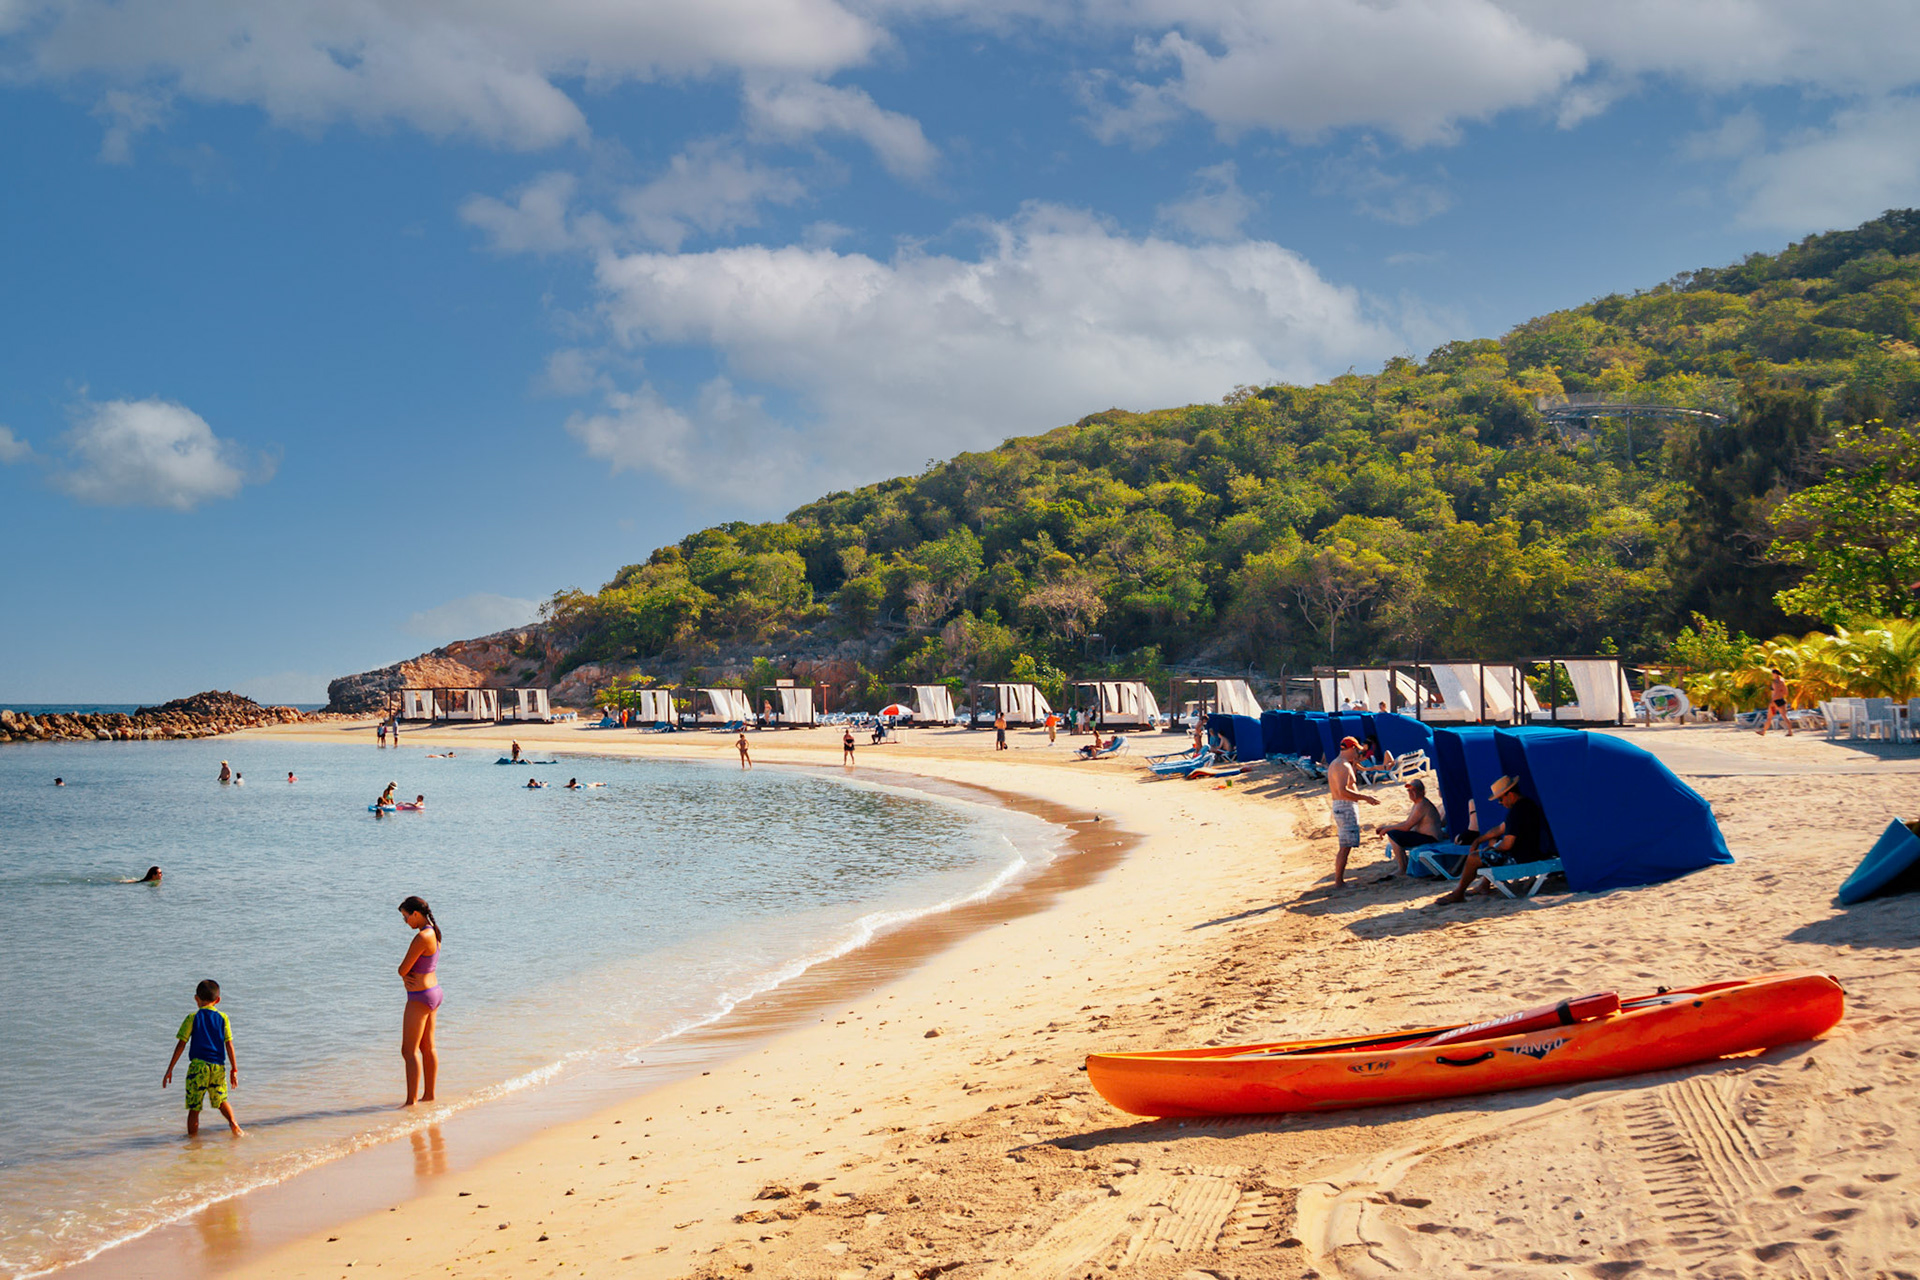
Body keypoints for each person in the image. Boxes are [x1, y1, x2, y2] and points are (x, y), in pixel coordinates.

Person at [1436, 775, 1546, 905]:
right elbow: (1500, 829)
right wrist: (1479, 840)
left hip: (1520, 857)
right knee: (1492, 842)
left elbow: (1507, 844)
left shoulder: (1516, 812)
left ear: (1510, 795)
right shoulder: (1527, 805)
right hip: (1531, 852)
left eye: (1500, 799)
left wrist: (1490, 849)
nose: (1500, 803)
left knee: (1473, 858)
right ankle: (1484, 885)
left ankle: (1458, 893)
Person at [163, 978, 242, 1137]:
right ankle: (234, 1125)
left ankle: (193, 1141)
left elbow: (181, 1045)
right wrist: (234, 1069)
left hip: (198, 1068)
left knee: (194, 1107)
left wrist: (170, 1069)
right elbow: (229, 1045)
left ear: (196, 999)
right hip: (217, 1067)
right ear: (217, 1000)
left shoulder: (192, 1018)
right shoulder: (223, 1018)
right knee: (221, 1101)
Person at [396, 895, 442, 1107]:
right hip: (433, 992)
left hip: (420, 997)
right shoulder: (435, 932)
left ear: (416, 914)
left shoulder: (422, 937)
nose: (406, 922)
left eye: (406, 917)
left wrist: (405, 976)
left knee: (408, 1050)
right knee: (427, 1047)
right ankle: (429, 1096)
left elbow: (402, 969)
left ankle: (410, 1102)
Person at [1328, 736, 1381, 887]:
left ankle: (1339, 880)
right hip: (1345, 806)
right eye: (1356, 750)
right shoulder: (1342, 765)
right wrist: (1366, 797)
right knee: (1345, 847)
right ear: (1351, 748)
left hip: (1341, 806)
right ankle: (1339, 882)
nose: (1357, 753)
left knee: (1345, 846)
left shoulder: (1337, 763)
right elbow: (1343, 791)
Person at [1373, 779, 1445, 876]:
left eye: (1414, 790)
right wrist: (1387, 827)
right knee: (1394, 833)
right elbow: (1407, 823)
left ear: (1422, 792)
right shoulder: (1418, 804)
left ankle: (1403, 867)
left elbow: (1406, 826)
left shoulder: (1422, 804)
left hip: (1430, 838)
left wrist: (1387, 829)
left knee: (1393, 834)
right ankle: (1403, 866)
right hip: (1425, 836)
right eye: (1409, 790)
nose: (1411, 793)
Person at [1757, 667, 1794, 737]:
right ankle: (1790, 731)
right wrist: (1781, 695)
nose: (1772, 675)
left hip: (1775, 701)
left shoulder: (1775, 682)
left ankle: (1763, 731)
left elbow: (1775, 692)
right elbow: (1786, 692)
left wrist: (1772, 701)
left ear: (1775, 674)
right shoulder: (1782, 681)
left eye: (1772, 674)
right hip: (1781, 700)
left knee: (1769, 717)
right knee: (1785, 716)